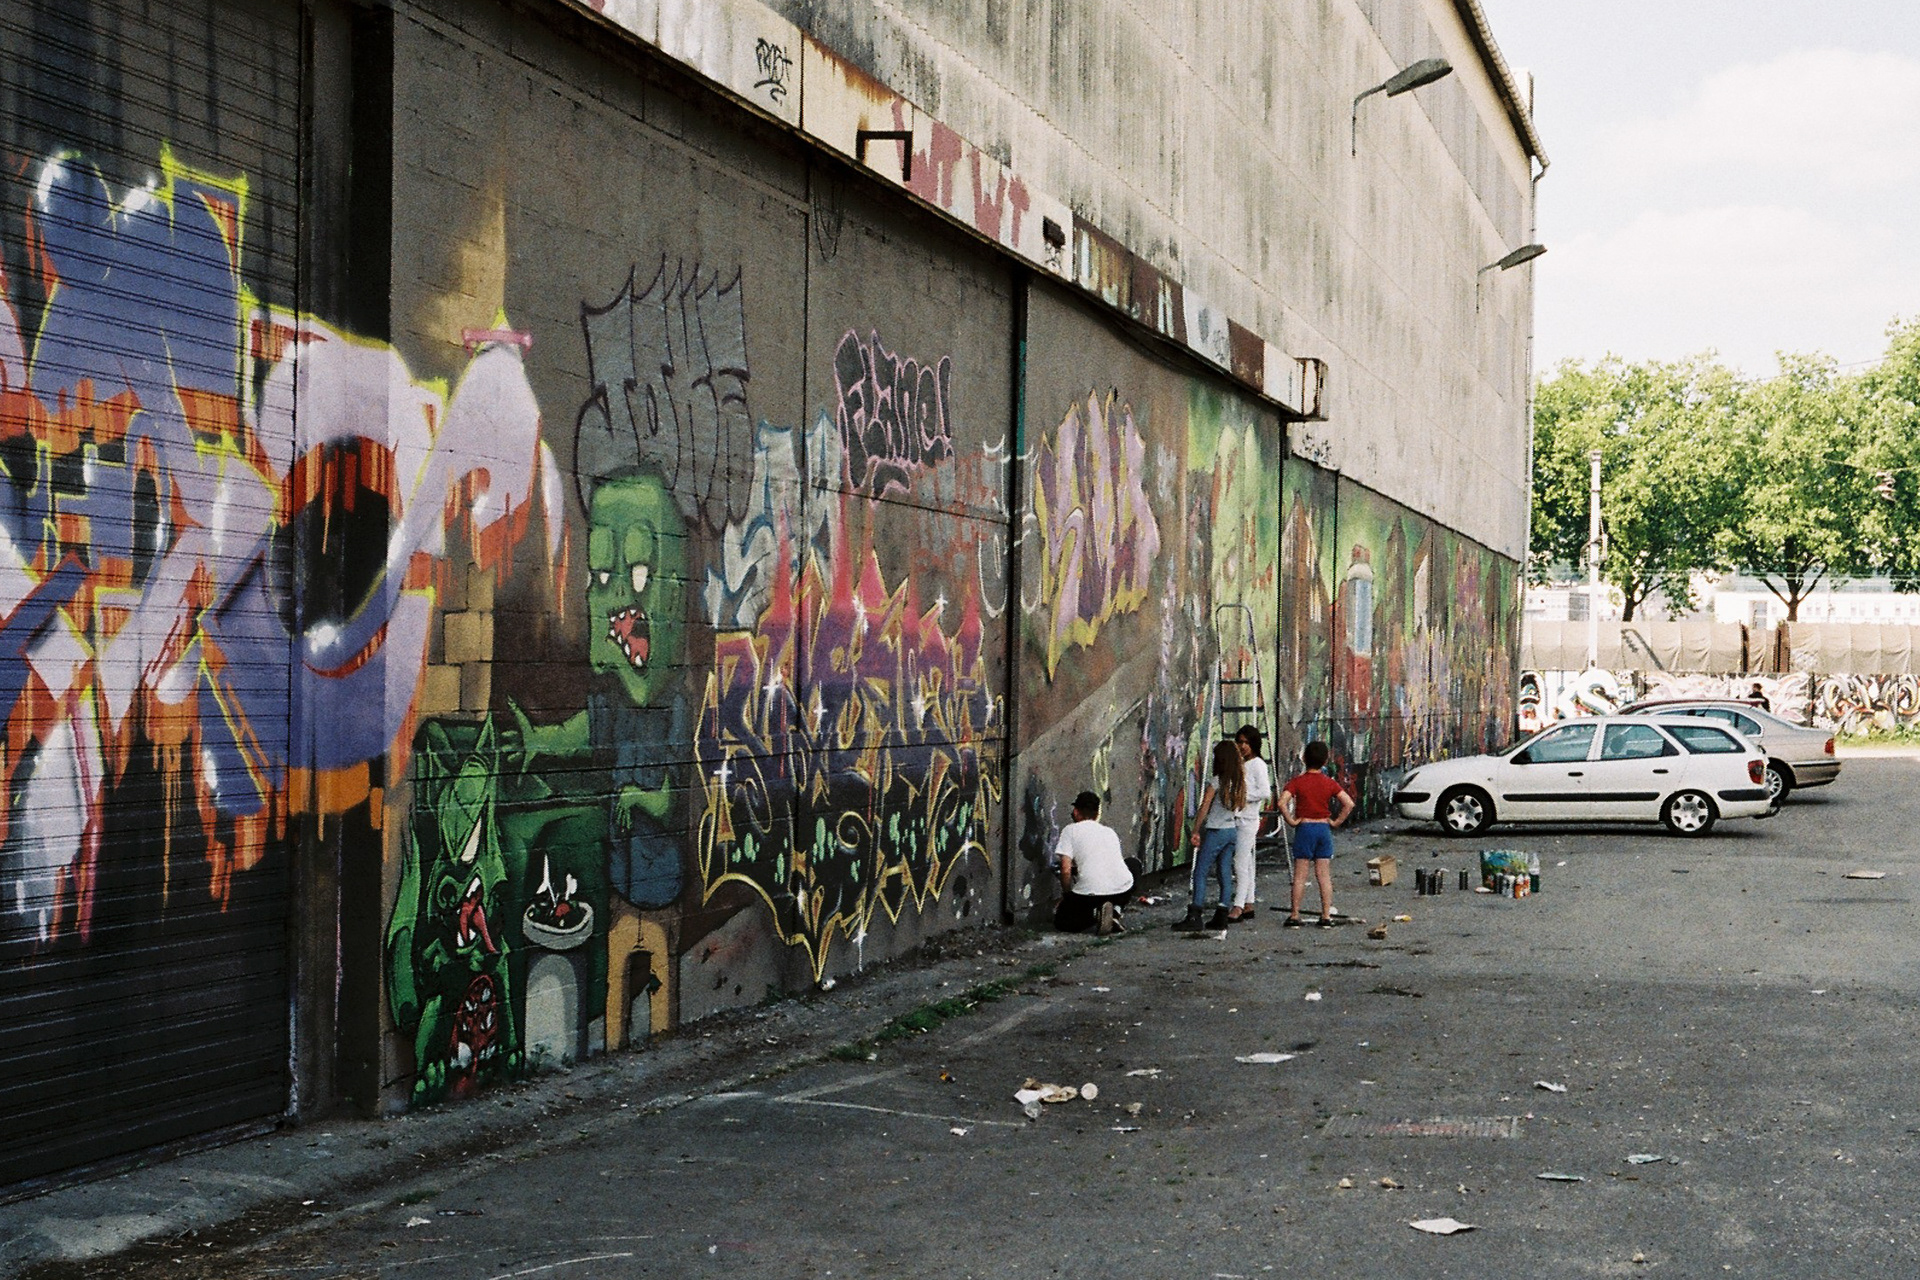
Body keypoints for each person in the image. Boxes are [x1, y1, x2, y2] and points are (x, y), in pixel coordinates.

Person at [1281, 740, 1354, 928]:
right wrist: (1336, 822)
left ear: (1304, 758)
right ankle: (1326, 916)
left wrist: (1291, 821)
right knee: (1323, 876)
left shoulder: (1297, 782)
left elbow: (1282, 802)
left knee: (1300, 876)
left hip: (1305, 828)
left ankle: (1295, 915)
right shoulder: (1329, 782)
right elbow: (1348, 803)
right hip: (1323, 829)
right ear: (1325, 760)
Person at [1174, 740, 1246, 931]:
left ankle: (1195, 913)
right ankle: (1222, 913)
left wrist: (1196, 829)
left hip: (1216, 830)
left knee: (1201, 870)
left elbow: (1205, 805)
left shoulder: (1217, 781)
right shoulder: (1239, 781)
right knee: (1224, 871)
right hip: (1231, 830)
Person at [1052, 791, 1135, 935]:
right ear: (1097, 814)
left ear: (1076, 811)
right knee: (1133, 865)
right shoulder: (1109, 832)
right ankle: (1115, 911)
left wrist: (1067, 895)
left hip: (1089, 895)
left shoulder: (1069, 831)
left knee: (1061, 922)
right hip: (1121, 890)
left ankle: (1096, 914)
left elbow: (1065, 870)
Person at [1231, 725, 1272, 923]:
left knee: (1240, 862)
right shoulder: (1241, 763)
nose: (1243, 746)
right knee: (1246, 862)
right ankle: (1249, 902)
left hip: (1248, 819)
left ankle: (1238, 904)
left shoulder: (1257, 764)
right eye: (1240, 742)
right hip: (1238, 817)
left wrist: (1242, 797)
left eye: (1246, 742)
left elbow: (1265, 792)